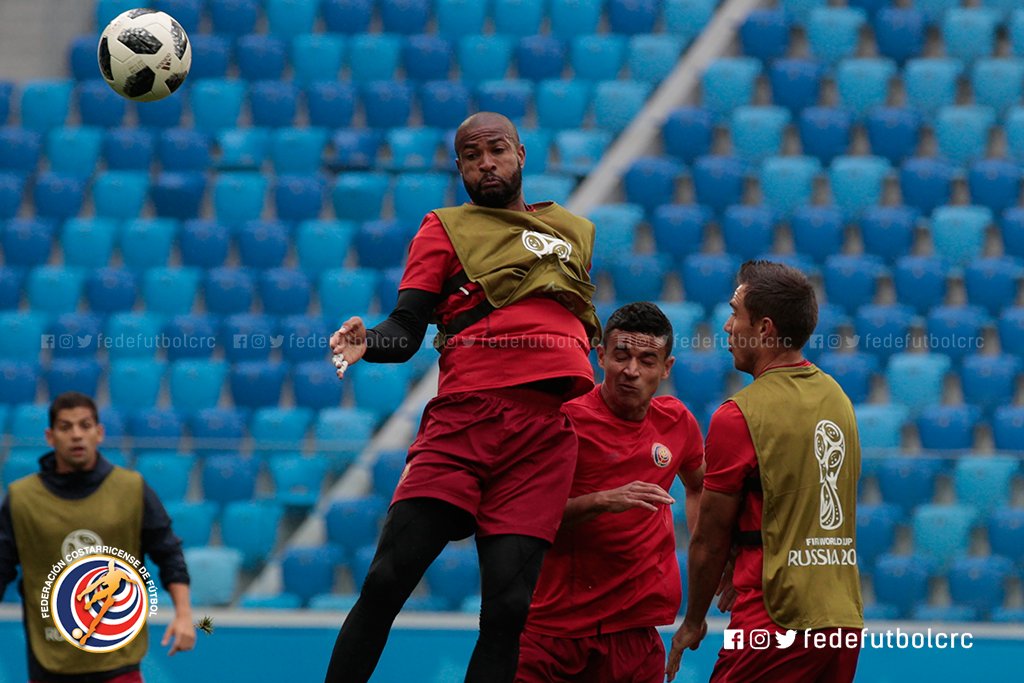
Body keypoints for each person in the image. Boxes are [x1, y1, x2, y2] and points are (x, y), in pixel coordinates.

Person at [324, 111, 601, 683]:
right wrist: (367, 342)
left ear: (521, 154)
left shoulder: (575, 231)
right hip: (466, 420)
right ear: (460, 168)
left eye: (496, 150)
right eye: (472, 156)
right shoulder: (443, 227)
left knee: (507, 612)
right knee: (385, 581)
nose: (485, 163)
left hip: (546, 436)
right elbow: (406, 330)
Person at [667, 261, 863, 683]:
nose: (726, 326)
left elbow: (708, 540)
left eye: (736, 313)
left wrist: (693, 620)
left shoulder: (739, 415)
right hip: (843, 619)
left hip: (774, 620)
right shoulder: (838, 400)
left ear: (765, 329)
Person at [515, 302, 705, 683]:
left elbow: (701, 486)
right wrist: (603, 500)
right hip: (554, 628)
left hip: (635, 631)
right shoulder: (563, 419)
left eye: (647, 360)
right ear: (600, 356)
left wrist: (711, 550)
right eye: (621, 356)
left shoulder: (677, 422)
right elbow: (521, 513)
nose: (631, 371)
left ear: (666, 369)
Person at [0, 392, 195, 683]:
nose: (76, 435)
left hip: (119, 660)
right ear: (50, 437)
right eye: (66, 427)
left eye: (85, 425)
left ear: (99, 433)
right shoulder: (21, 499)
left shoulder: (132, 489)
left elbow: (169, 553)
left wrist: (184, 614)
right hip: (50, 659)